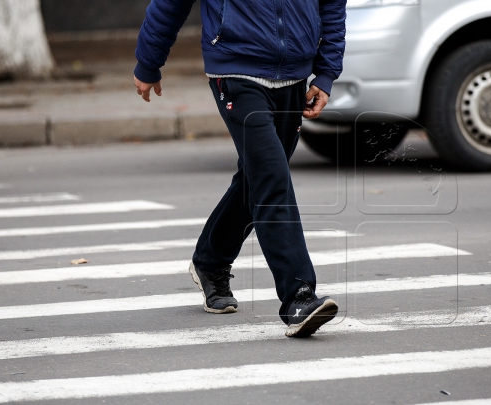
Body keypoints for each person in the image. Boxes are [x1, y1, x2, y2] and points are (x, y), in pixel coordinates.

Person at [133, 0, 346, 337]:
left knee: (257, 178)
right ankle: (298, 297)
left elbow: (332, 3)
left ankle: (210, 262)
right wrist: (148, 61)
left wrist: (327, 70)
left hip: (293, 74)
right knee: (272, 178)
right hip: (236, 69)